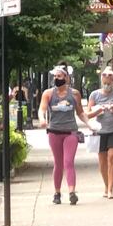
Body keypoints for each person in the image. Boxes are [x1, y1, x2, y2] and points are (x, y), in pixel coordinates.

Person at [37, 65, 83, 205]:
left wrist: (90, 124)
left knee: (68, 162)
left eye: (59, 76)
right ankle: (57, 192)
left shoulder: (74, 94)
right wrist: (42, 119)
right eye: (55, 76)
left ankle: (71, 192)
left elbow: (80, 112)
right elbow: (42, 109)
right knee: (58, 163)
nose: (56, 79)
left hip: (70, 131)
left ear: (66, 78)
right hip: (54, 131)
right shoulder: (48, 93)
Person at [84, 68, 113, 199]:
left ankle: (111, 190)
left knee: (112, 157)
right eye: (105, 82)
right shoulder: (94, 95)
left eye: (110, 82)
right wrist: (99, 110)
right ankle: (106, 186)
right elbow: (87, 114)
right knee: (102, 161)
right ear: (102, 81)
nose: (107, 85)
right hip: (100, 131)